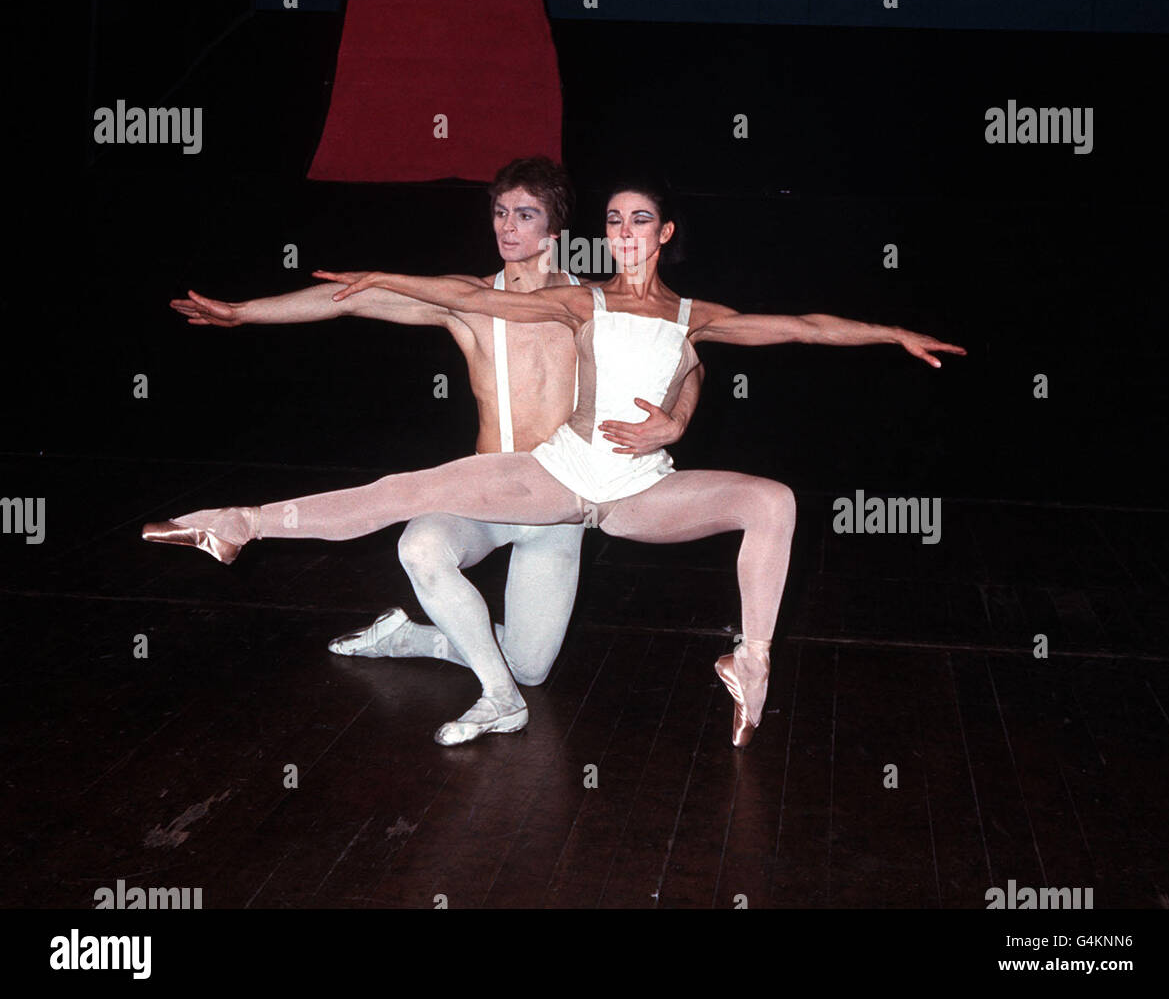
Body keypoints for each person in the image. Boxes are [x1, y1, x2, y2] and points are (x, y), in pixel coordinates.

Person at [147, 182, 965, 748]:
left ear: (664, 232)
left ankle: (749, 661)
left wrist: (889, 334)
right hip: (554, 474)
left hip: (633, 494)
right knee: (405, 500)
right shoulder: (583, 299)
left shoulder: (694, 317)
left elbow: (801, 327)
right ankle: (237, 523)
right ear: (599, 233)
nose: (624, 232)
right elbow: (467, 299)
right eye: (614, 220)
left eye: (639, 220)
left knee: (773, 501)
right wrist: (375, 277)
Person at [164, 158, 703, 745]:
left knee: (532, 668)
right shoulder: (466, 301)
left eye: (525, 215)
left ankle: (413, 638)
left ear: (555, 232)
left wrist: (674, 423)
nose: (507, 226)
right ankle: (498, 699)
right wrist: (244, 313)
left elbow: (685, 351)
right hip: (486, 492)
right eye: (500, 212)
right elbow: (349, 299)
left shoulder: (596, 305)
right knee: (419, 546)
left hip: (559, 504)